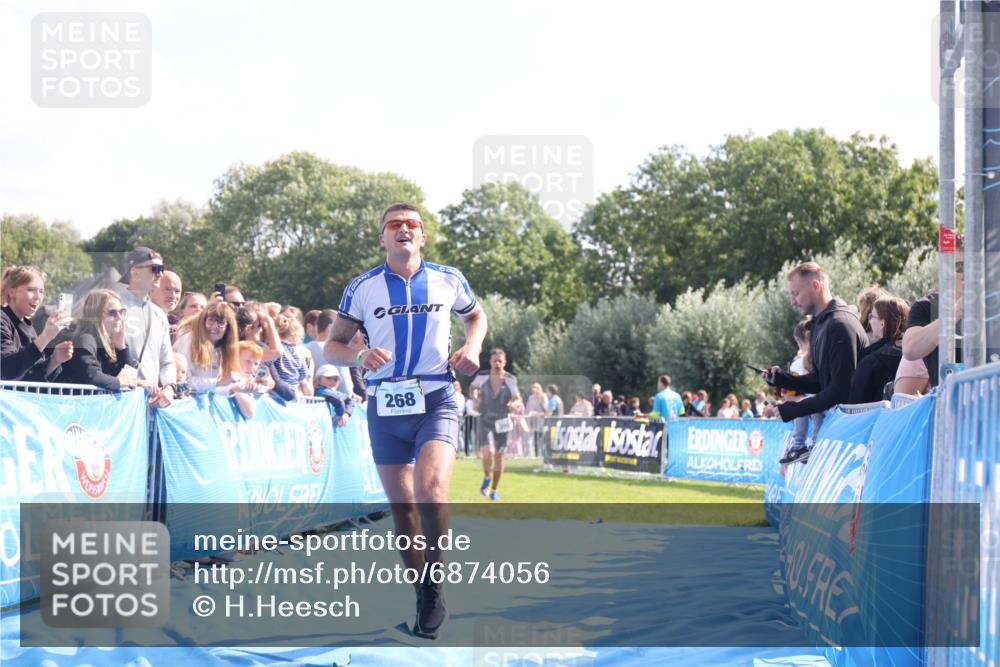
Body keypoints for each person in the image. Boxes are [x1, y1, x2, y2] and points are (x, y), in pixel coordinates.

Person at [322, 202, 486, 640]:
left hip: (436, 397)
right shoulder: (362, 287)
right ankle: (424, 592)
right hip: (385, 404)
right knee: (403, 507)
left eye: (412, 224)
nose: (403, 230)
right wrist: (359, 354)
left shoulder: (448, 279)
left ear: (422, 236)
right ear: (382, 237)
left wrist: (472, 347)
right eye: (394, 225)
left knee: (430, 489)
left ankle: (435, 584)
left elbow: (476, 314)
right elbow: (331, 347)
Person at [769, 262, 867, 464]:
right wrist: (782, 379)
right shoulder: (821, 324)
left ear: (816, 285)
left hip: (854, 440)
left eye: (795, 293)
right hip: (841, 433)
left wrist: (795, 409)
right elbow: (821, 380)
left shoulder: (840, 324)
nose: (793, 301)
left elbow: (840, 390)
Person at [117, 247, 176, 407]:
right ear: (135, 271)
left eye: (162, 269)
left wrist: (170, 387)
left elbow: (167, 361)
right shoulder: (114, 305)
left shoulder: (159, 314)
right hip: (119, 401)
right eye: (155, 269)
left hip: (150, 405)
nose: (160, 274)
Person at [60, 289, 148, 392]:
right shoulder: (85, 339)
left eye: (121, 312)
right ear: (95, 314)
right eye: (112, 313)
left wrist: (121, 348)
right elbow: (91, 375)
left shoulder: (111, 341)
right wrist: (119, 382)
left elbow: (130, 374)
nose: (119, 317)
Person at [1, 265, 73, 381]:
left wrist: (54, 360)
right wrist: (46, 336)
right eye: (31, 290)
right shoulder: (2, 320)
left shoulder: (29, 327)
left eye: (41, 291)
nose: (38, 297)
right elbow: (7, 368)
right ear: (12, 292)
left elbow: (31, 376)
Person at [902, 262, 963, 389]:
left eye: (974, 264)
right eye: (959, 267)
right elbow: (910, 349)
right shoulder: (927, 306)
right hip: (950, 403)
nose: (967, 271)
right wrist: (956, 312)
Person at [471, 348, 520, 500]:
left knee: (499, 455)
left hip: (503, 419)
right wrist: (475, 399)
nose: (497, 363)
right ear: (490, 362)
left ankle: (493, 490)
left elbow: (517, 398)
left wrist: (514, 404)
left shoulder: (510, 379)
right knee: (487, 453)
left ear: (504, 362)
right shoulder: (482, 376)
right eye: (494, 361)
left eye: (500, 361)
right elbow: (473, 387)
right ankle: (487, 476)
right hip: (485, 417)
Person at [849, 296, 908, 403]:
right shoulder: (914, 354)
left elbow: (855, 406)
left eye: (872, 316)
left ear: (882, 324)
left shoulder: (870, 361)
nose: (869, 320)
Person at [172, 300, 240, 394]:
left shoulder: (221, 348)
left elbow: (214, 388)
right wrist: (218, 382)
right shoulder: (189, 340)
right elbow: (182, 382)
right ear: (203, 321)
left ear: (228, 327)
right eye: (210, 320)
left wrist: (234, 388)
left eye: (221, 322)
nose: (215, 326)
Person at [273, 314, 313, 397]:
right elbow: (304, 375)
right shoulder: (301, 353)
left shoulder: (274, 348)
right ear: (294, 337)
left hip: (276, 392)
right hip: (294, 392)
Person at [151, 270, 183, 341]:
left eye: (177, 291)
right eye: (168, 289)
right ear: (152, 289)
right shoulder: (142, 319)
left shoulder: (176, 329)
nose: (173, 296)